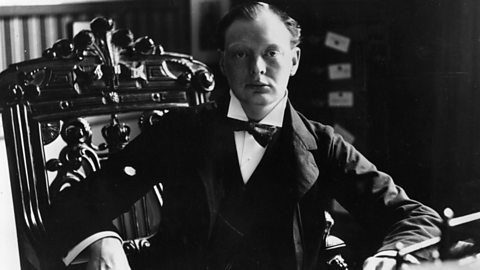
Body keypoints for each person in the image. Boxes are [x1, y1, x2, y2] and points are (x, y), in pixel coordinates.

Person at [46, 2, 442, 270]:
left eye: (271, 53)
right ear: (222, 61)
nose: (257, 69)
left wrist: (392, 257)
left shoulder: (322, 145)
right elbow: (76, 204)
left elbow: (415, 217)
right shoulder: (181, 131)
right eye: (240, 54)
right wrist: (102, 239)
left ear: (295, 60)